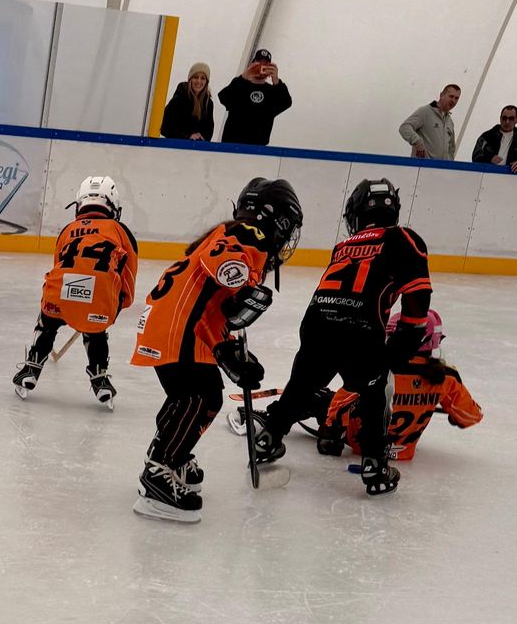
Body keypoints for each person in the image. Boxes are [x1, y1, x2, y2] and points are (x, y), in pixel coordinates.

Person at [132, 177, 304, 523]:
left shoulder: (236, 234)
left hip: (174, 325)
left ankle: (169, 454)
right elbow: (220, 261)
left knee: (187, 396)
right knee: (202, 398)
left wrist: (226, 351)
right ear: (278, 221)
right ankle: (159, 472)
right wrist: (241, 282)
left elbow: (215, 311)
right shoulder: (248, 234)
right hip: (178, 326)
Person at [253, 178, 432, 496]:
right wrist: (411, 330)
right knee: (375, 393)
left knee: (301, 388)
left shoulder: (345, 246)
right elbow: (417, 291)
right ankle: (375, 467)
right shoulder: (403, 237)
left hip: (318, 323)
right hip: (361, 330)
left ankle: (268, 437)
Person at [12, 176, 138, 408]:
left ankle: (31, 369)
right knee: (96, 328)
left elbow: (60, 267)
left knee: (47, 323)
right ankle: (100, 379)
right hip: (99, 299)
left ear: (79, 204)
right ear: (113, 205)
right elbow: (128, 280)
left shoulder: (68, 230)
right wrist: (113, 307)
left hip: (58, 292)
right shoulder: (121, 231)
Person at [317, 309, 483, 460]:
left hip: (363, 447)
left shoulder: (377, 369)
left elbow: (338, 406)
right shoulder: (447, 377)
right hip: (404, 451)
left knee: (322, 398)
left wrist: (329, 431)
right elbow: (470, 417)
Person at [217, 49, 291, 145]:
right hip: (231, 146)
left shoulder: (272, 93)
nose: (261, 67)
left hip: (257, 151)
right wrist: (244, 76)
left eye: (265, 65)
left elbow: (286, 102)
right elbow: (223, 97)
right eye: (258, 63)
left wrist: (276, 80)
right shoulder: (240, 85)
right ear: (251, 64)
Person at [398, 84, 461, 160]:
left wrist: (450, 164)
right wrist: (418, 142)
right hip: (424, 168)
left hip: (442, 169)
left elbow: (451, 148)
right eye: (451, 96)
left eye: (456, 98)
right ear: (441, 95)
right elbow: (404, 127)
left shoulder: (450, 122)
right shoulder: (426, 112)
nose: (453, 100)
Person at [160, 62, 214, 141]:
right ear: (190, 79)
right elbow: (165, 129)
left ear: (206, 82)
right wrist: (188, 136)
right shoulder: (178, 100)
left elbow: (208, 131)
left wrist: (202, 137)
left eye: (203, 78)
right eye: (196, 77)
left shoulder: (208, 104)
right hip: (175, 149)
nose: (199, 81)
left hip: (196, 151)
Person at [471, 105, 517, 172]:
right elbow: (475, 156)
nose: (507, 122)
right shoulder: (487, 136)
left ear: (516, 120)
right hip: (488, 175)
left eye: (511, 119)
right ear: (500, 119)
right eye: (504, 118)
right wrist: (490, 159)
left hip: (512, 178)